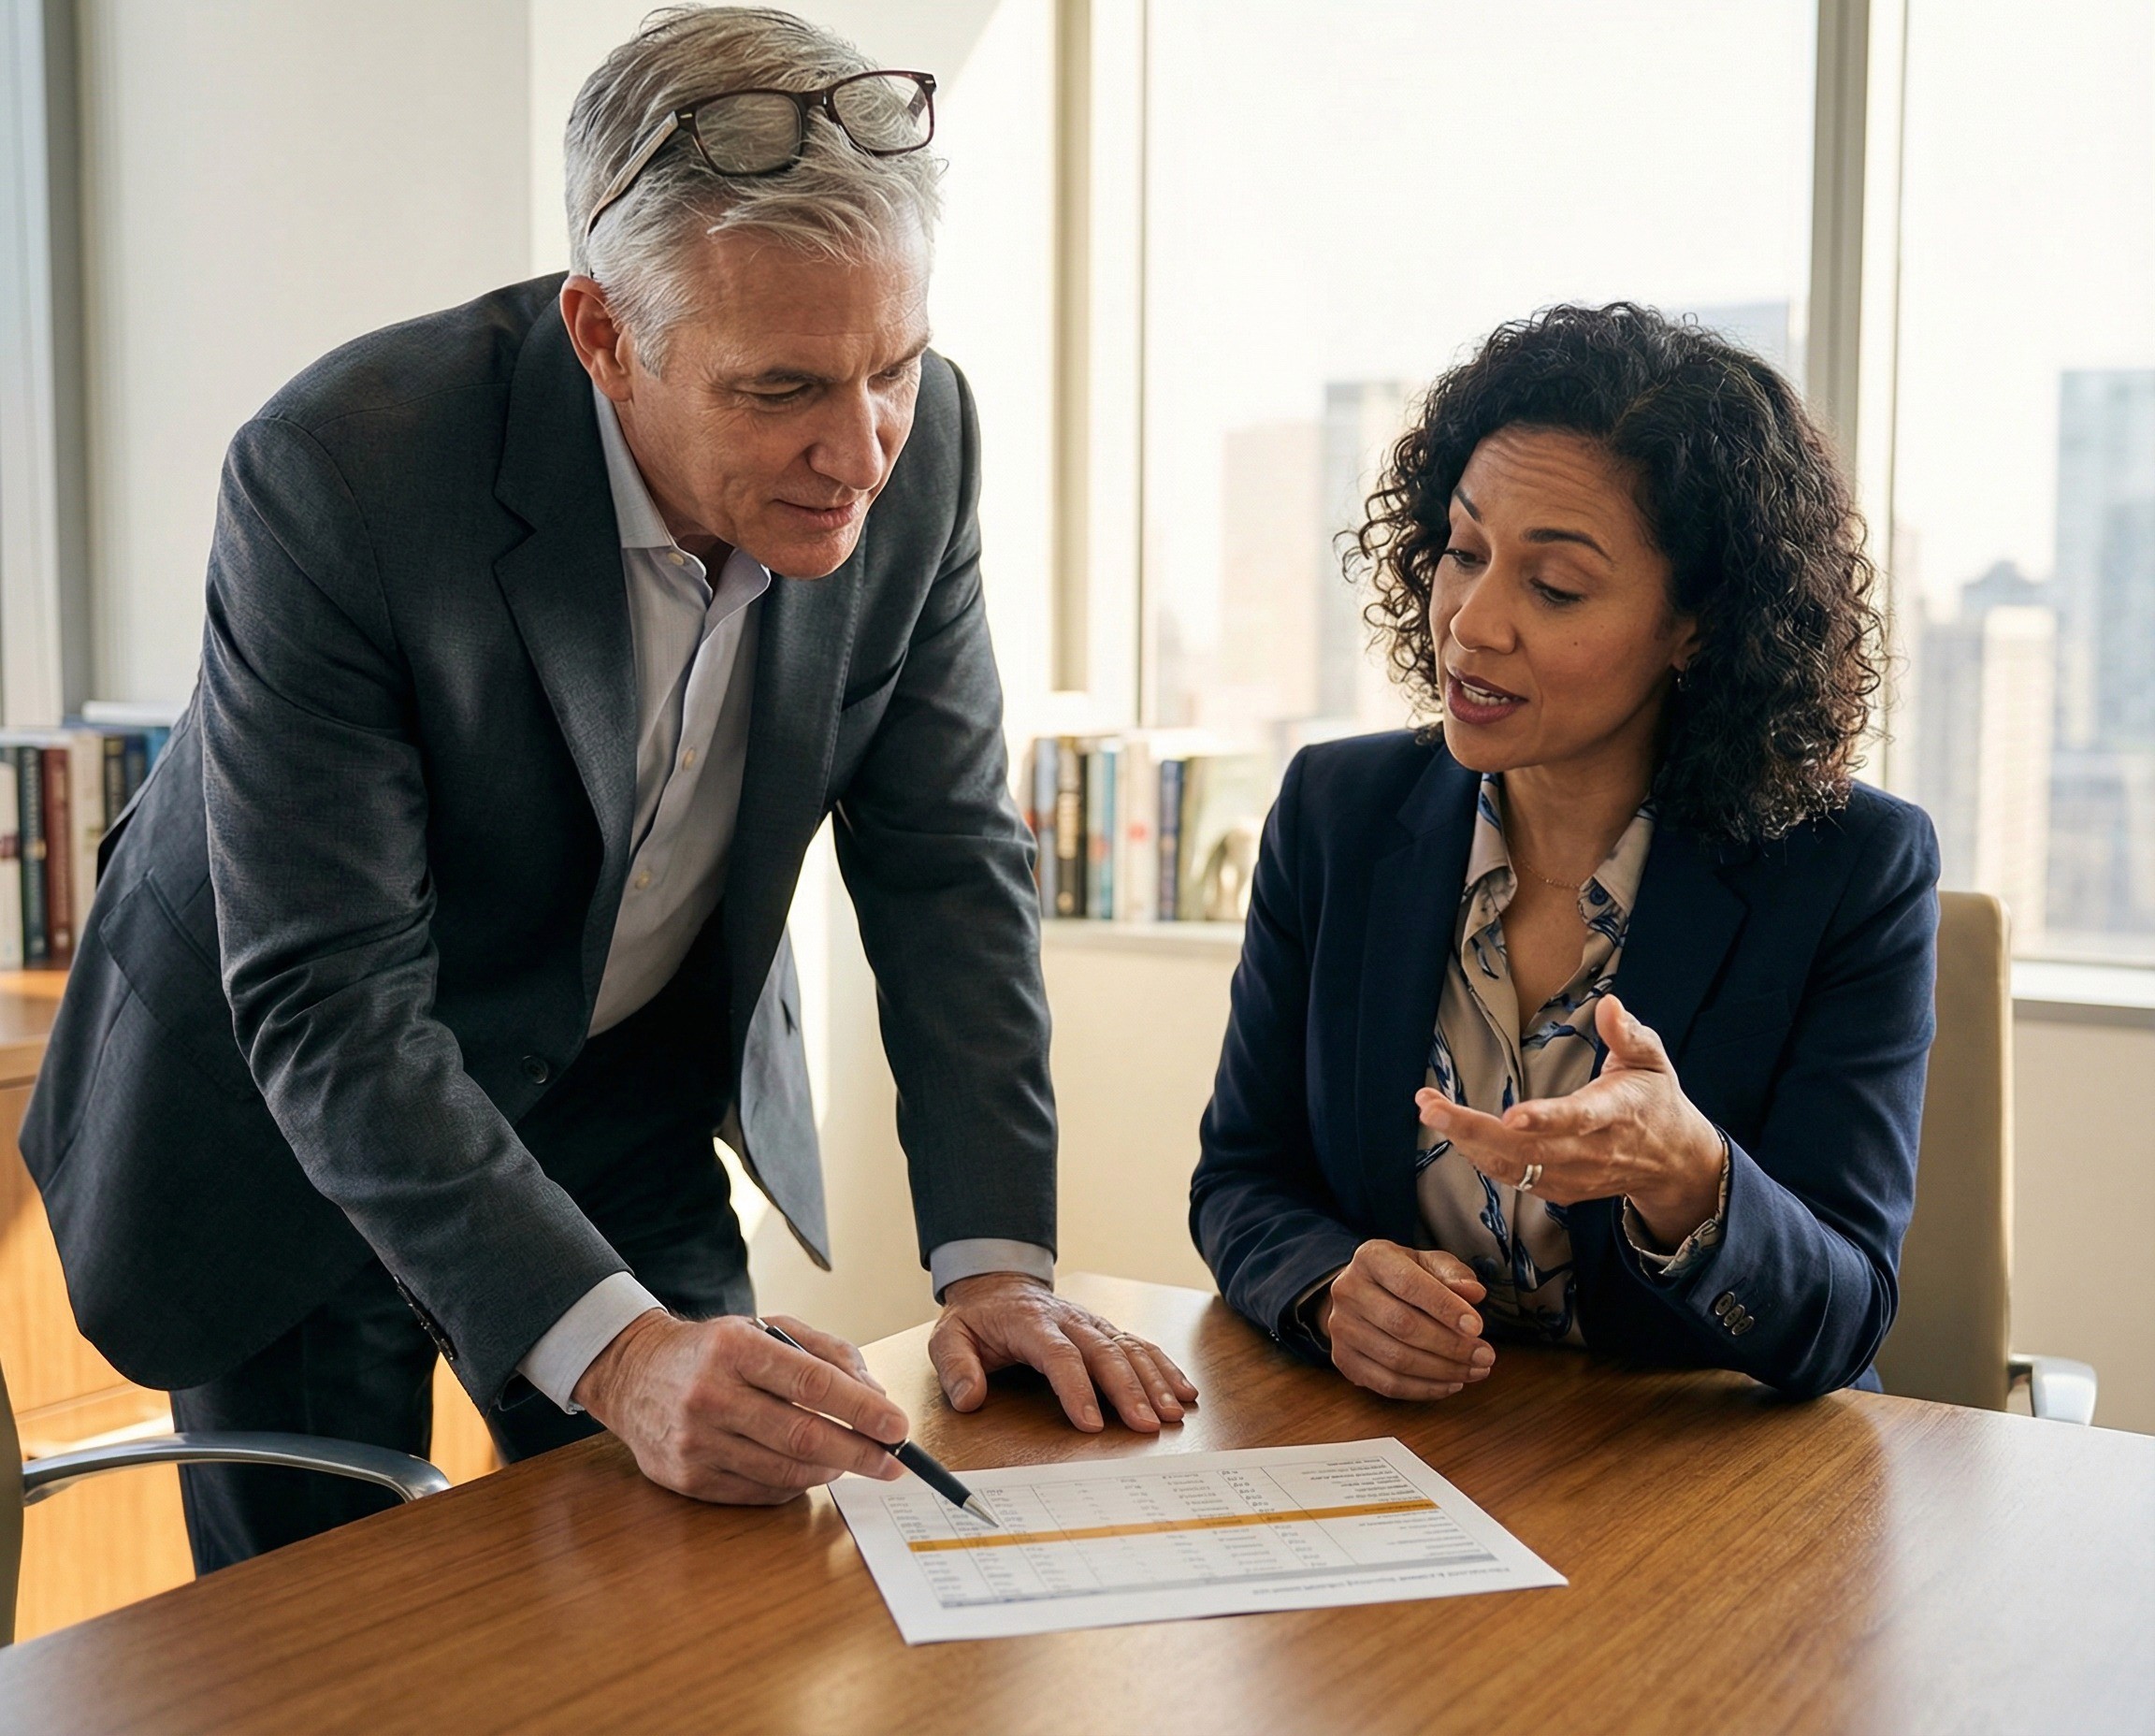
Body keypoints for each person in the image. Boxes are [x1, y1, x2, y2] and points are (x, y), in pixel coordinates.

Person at [23, 5, 1192, 1573]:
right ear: (601, 333)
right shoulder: (341, 470)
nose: (857, 451)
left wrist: (995, 1270)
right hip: (306, 1132)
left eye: (891, 366)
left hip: (618, 1086)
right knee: (321, 1648)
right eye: (779, 390)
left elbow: (944, 867)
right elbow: (327, 998)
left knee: (722, 1562)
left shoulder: (925, 447)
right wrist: (619, 1359)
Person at [1190, 302, 1939, 1402]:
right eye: (1465, 549)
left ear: (1696, 626)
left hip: (1701, 1492)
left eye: (1554, 586)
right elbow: (1245, 1176)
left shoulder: (1850, 871)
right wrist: (1329, 1285)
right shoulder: (1335, 812)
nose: (1472, 623)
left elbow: (1842, 1316)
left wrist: (1695, 1177)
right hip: (1422, 1463)